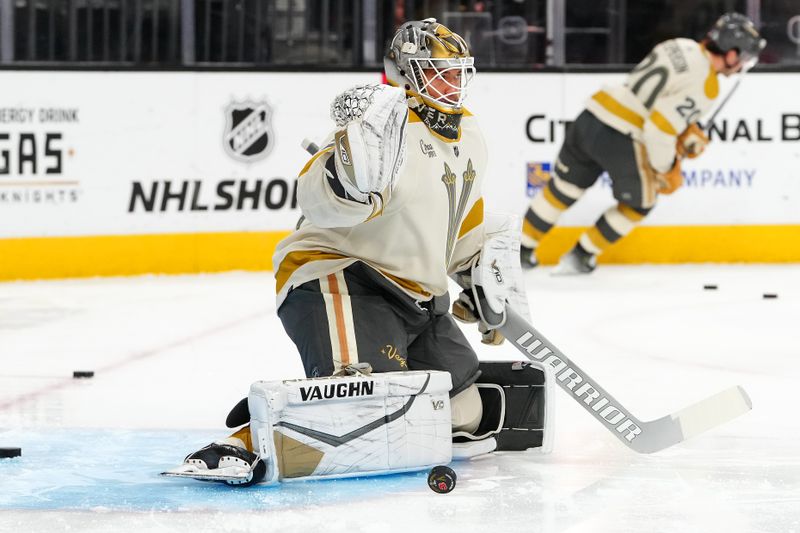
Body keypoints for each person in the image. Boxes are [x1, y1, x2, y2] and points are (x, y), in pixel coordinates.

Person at [166, 18, 546, 486]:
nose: (451, 81)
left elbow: (459, 221)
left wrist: (475, 278)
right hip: (341, 278)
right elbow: (315, 200)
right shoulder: (380, 127)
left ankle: (350, 416)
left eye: (458, 71)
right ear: (409, 72)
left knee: (465, 411)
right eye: (438, 70)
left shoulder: (471, 138)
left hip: (417, 300)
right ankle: (246, 439)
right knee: (363, 399)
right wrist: (346, 181)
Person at [519, 13, 766, 274]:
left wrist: (683, 128)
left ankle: (518, 252)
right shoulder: (708, 85)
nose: (741, 65)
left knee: (562, 189)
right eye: (744, 57)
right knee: (641, 203)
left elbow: (660, 98)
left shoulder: (681, 44)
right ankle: (580, 255)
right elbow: (658, 129)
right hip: (621, 136)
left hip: (591, 115)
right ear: (731, 52)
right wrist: (666, 167)